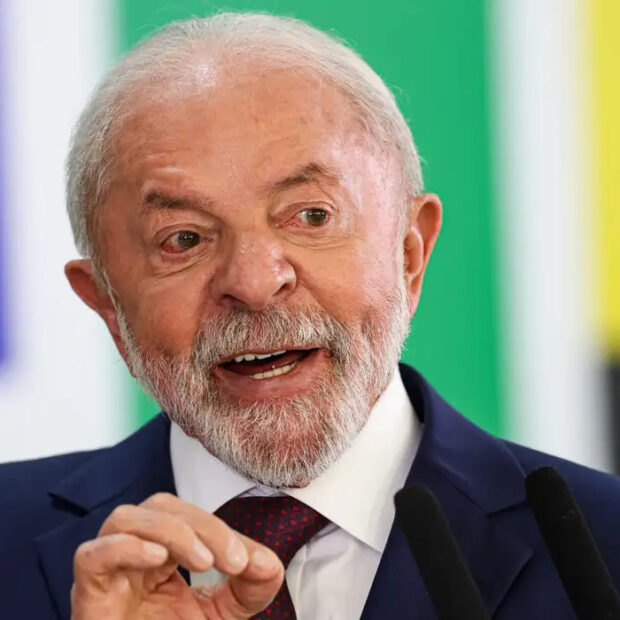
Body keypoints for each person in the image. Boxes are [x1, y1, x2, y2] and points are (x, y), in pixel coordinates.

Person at [1, 12, 619, 620]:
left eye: (311, 216)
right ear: (107, 303)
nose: (254, 283)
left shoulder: (603, 545)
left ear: (409, 254)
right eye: (184, 239)